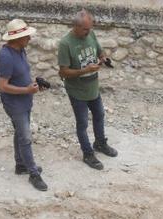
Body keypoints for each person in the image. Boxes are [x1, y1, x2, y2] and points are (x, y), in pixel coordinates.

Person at [58, 10, 118, 171]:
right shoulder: (65, 44)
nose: (88, 32)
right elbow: (63, 72)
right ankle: (88, 154)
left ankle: (100, 143)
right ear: (76, 27)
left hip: (93, 87)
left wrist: (103, 58)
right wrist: (84, 70)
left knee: (99, 115)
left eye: (90, 28)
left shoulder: (90, 35)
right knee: (82, 123)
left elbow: (100, 52)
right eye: (85, 29)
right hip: (77, 91)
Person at [0, 19, 47, 191]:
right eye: (26, 36)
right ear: (16, 38)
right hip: (15, 104)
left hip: (25, 100)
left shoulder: (21, 50)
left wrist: (33, 86)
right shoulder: (6, 56)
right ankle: (33, 173)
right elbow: (2, 86)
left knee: (19, 133)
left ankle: (20, 165)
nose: (29, 39)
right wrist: (26, 90)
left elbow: (20, 75)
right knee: (25, 137)